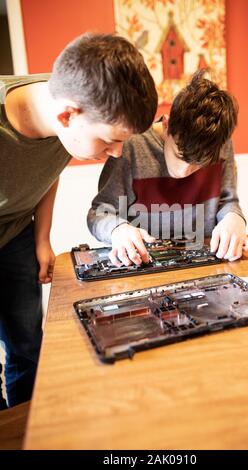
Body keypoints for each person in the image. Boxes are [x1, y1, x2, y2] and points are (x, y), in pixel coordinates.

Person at [0, 32, 158, 408]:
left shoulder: (67, 105)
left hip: (18, 231)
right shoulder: (61, 111)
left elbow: (47, 169)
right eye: (109, 142)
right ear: (66, 116)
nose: (116, 154)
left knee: (26, 345)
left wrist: (42, 237)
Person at [88, 71, 248, 267]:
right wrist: (117, 230)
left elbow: (227, 201)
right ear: (166, 125)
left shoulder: (220, 144)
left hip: (204, 263)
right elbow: (99, 213)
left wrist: (234, 218)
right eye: (178, 154)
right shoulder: (131, 146)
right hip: (144, 268)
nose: (184, 171)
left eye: (199, 163)